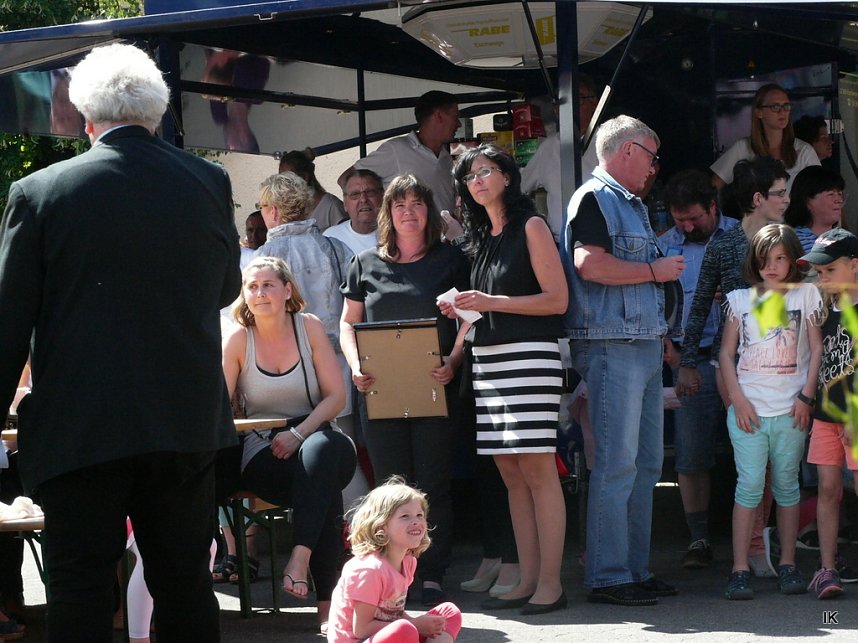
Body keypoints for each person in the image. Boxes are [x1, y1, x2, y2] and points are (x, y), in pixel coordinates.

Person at [0, 43, 241, 643]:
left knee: (80, 589)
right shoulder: (208, 181)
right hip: (182, 422)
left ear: (85, 117)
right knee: (185, 584)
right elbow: (225, 287)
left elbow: (9, 322)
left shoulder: (40, 193)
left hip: (82, 426)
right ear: (157, 113)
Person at [564, 115, 685, 606]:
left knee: (645, 463)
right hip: (615, 346)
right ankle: (610, 575)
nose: (656, 168)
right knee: (619, 465)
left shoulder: (625, 202)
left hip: (638, 344)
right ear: (629, 150)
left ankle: (632, 569)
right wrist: (653, 270)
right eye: (653, 157)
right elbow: (587, 264)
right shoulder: (595, 197)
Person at [444, 144, 567, 615]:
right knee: (511, 474)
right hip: (490, 360)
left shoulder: (530, 226)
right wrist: (462, 309)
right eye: (469, 176)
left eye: (486, 171)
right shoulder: (484, 237)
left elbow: (557, 300)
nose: (477, 180)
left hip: (529, 358)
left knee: (536, 472)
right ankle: (529, 578)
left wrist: (493, 302)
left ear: (508, 178)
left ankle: (551, 583)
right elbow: (485, 308)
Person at [340, 174, 470, 606]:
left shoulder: (451, 260)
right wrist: (356, 364)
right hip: (379, 392)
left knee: (432, 484)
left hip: (435, 388)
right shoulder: (365, 263)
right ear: (388, 213)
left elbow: (471, 318)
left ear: (428, 213)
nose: (408, 212)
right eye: (400, 205)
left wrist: (454, 359)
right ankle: (390, 574)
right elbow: (347, 323)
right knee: (388, 489)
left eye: (417, 204)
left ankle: (430, 574)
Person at [220, 256, 357, 631]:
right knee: (323, 490)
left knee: (322, 454)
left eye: (268, 284)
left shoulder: (307, 327)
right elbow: (218, 408)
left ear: (287, 290)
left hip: (314, 435)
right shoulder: (237, 339)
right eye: (252, 286)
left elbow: (336, 396)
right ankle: (327, 607)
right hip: (264, 449)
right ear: (244, 295)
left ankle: (298, 557)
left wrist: (299, 433)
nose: (260, 293)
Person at [677, 158, 790, 578]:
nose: (787, 200)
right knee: (750, 461)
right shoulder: (723, 246)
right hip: (735, 366)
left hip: (783, 364)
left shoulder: (788, 240)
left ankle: (761, 540)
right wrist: (688, 362)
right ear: (759, 198)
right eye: (781, 192)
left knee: (778, 461)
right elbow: (700, 303)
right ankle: (754, 545)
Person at [719, 223, 823, 600]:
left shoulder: (807, 295)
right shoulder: (739, 300)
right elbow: (726, 354)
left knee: (786, 486)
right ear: (755, 261)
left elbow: (816, 351)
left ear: (793, 260)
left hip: (791, 410)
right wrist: (738, 400)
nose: (772, 266)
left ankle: (789, 563)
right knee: (747, 487)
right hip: (749, 410)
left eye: (780, 258)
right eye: (765, 259)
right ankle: (739, 568)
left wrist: (806, 397)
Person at [658, 169, 738, 569]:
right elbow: (655, 309)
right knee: (690, 456)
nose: (687, 227)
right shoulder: (663, 247)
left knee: (757, 452)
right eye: (679, 220)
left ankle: (758, 540)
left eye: (695, 218)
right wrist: (671, 353)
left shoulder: (741, 237)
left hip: (744, 362)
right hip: (689, 362)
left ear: (713, 206)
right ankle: (699, 538)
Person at [327, 476, 462, 643]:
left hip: (385, 634)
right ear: (381, 526)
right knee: (405, 629)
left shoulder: (407, 561)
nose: (416, 521)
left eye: (420, 515)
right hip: (358, 639)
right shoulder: (369, 569)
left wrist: (416, 624)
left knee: (449, 612)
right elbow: (361, 629)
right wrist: (414, 625)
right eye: (405, 516)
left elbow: (392, 611)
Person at [799, 229, 858, 599]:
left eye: (829, 270)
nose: (822, 279)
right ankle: (826, 568)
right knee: (827, 489)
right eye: (819, 273)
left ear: (854, 267)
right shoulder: (823, 310)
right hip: (825, 416)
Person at [338, 91, 460, 214]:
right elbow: (345, 179)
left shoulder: (446, 156)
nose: (459, 124)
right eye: (455, 117)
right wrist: (373, 215)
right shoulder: (396, 150)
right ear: (439, 116)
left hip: (448, 232)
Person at [520, 75, 601, 241]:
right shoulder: (548, 148)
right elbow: (519, 187)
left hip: (604, 242)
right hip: (559, 243)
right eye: (560, 102)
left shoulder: (610, 140)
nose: (566, 107)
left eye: (576, 100)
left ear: (594, 103)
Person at [711, 83, 820, 192]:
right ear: (759, 112)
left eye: (786, 106)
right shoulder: (742, 147)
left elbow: (819, 192)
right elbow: (713, 187)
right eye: (775, 107)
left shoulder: (805, 151)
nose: (782, 112)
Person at [280, 148, 347, 231]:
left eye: (287, 179)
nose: (283, 184)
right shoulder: (288, 211)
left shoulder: (332, 207)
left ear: (304, 178)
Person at [784, 166, 846, 253]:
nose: (839, 200)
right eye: (831, 194)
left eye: (840, 194)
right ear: (807, 200)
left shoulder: (846, 240)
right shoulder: (794, 243)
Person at [324, 168, 383, 254]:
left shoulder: (400, 234)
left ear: (383, 197)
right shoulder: (331, 238)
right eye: (355, 194)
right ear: (345, 203)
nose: (363, 199)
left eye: (370, 192)